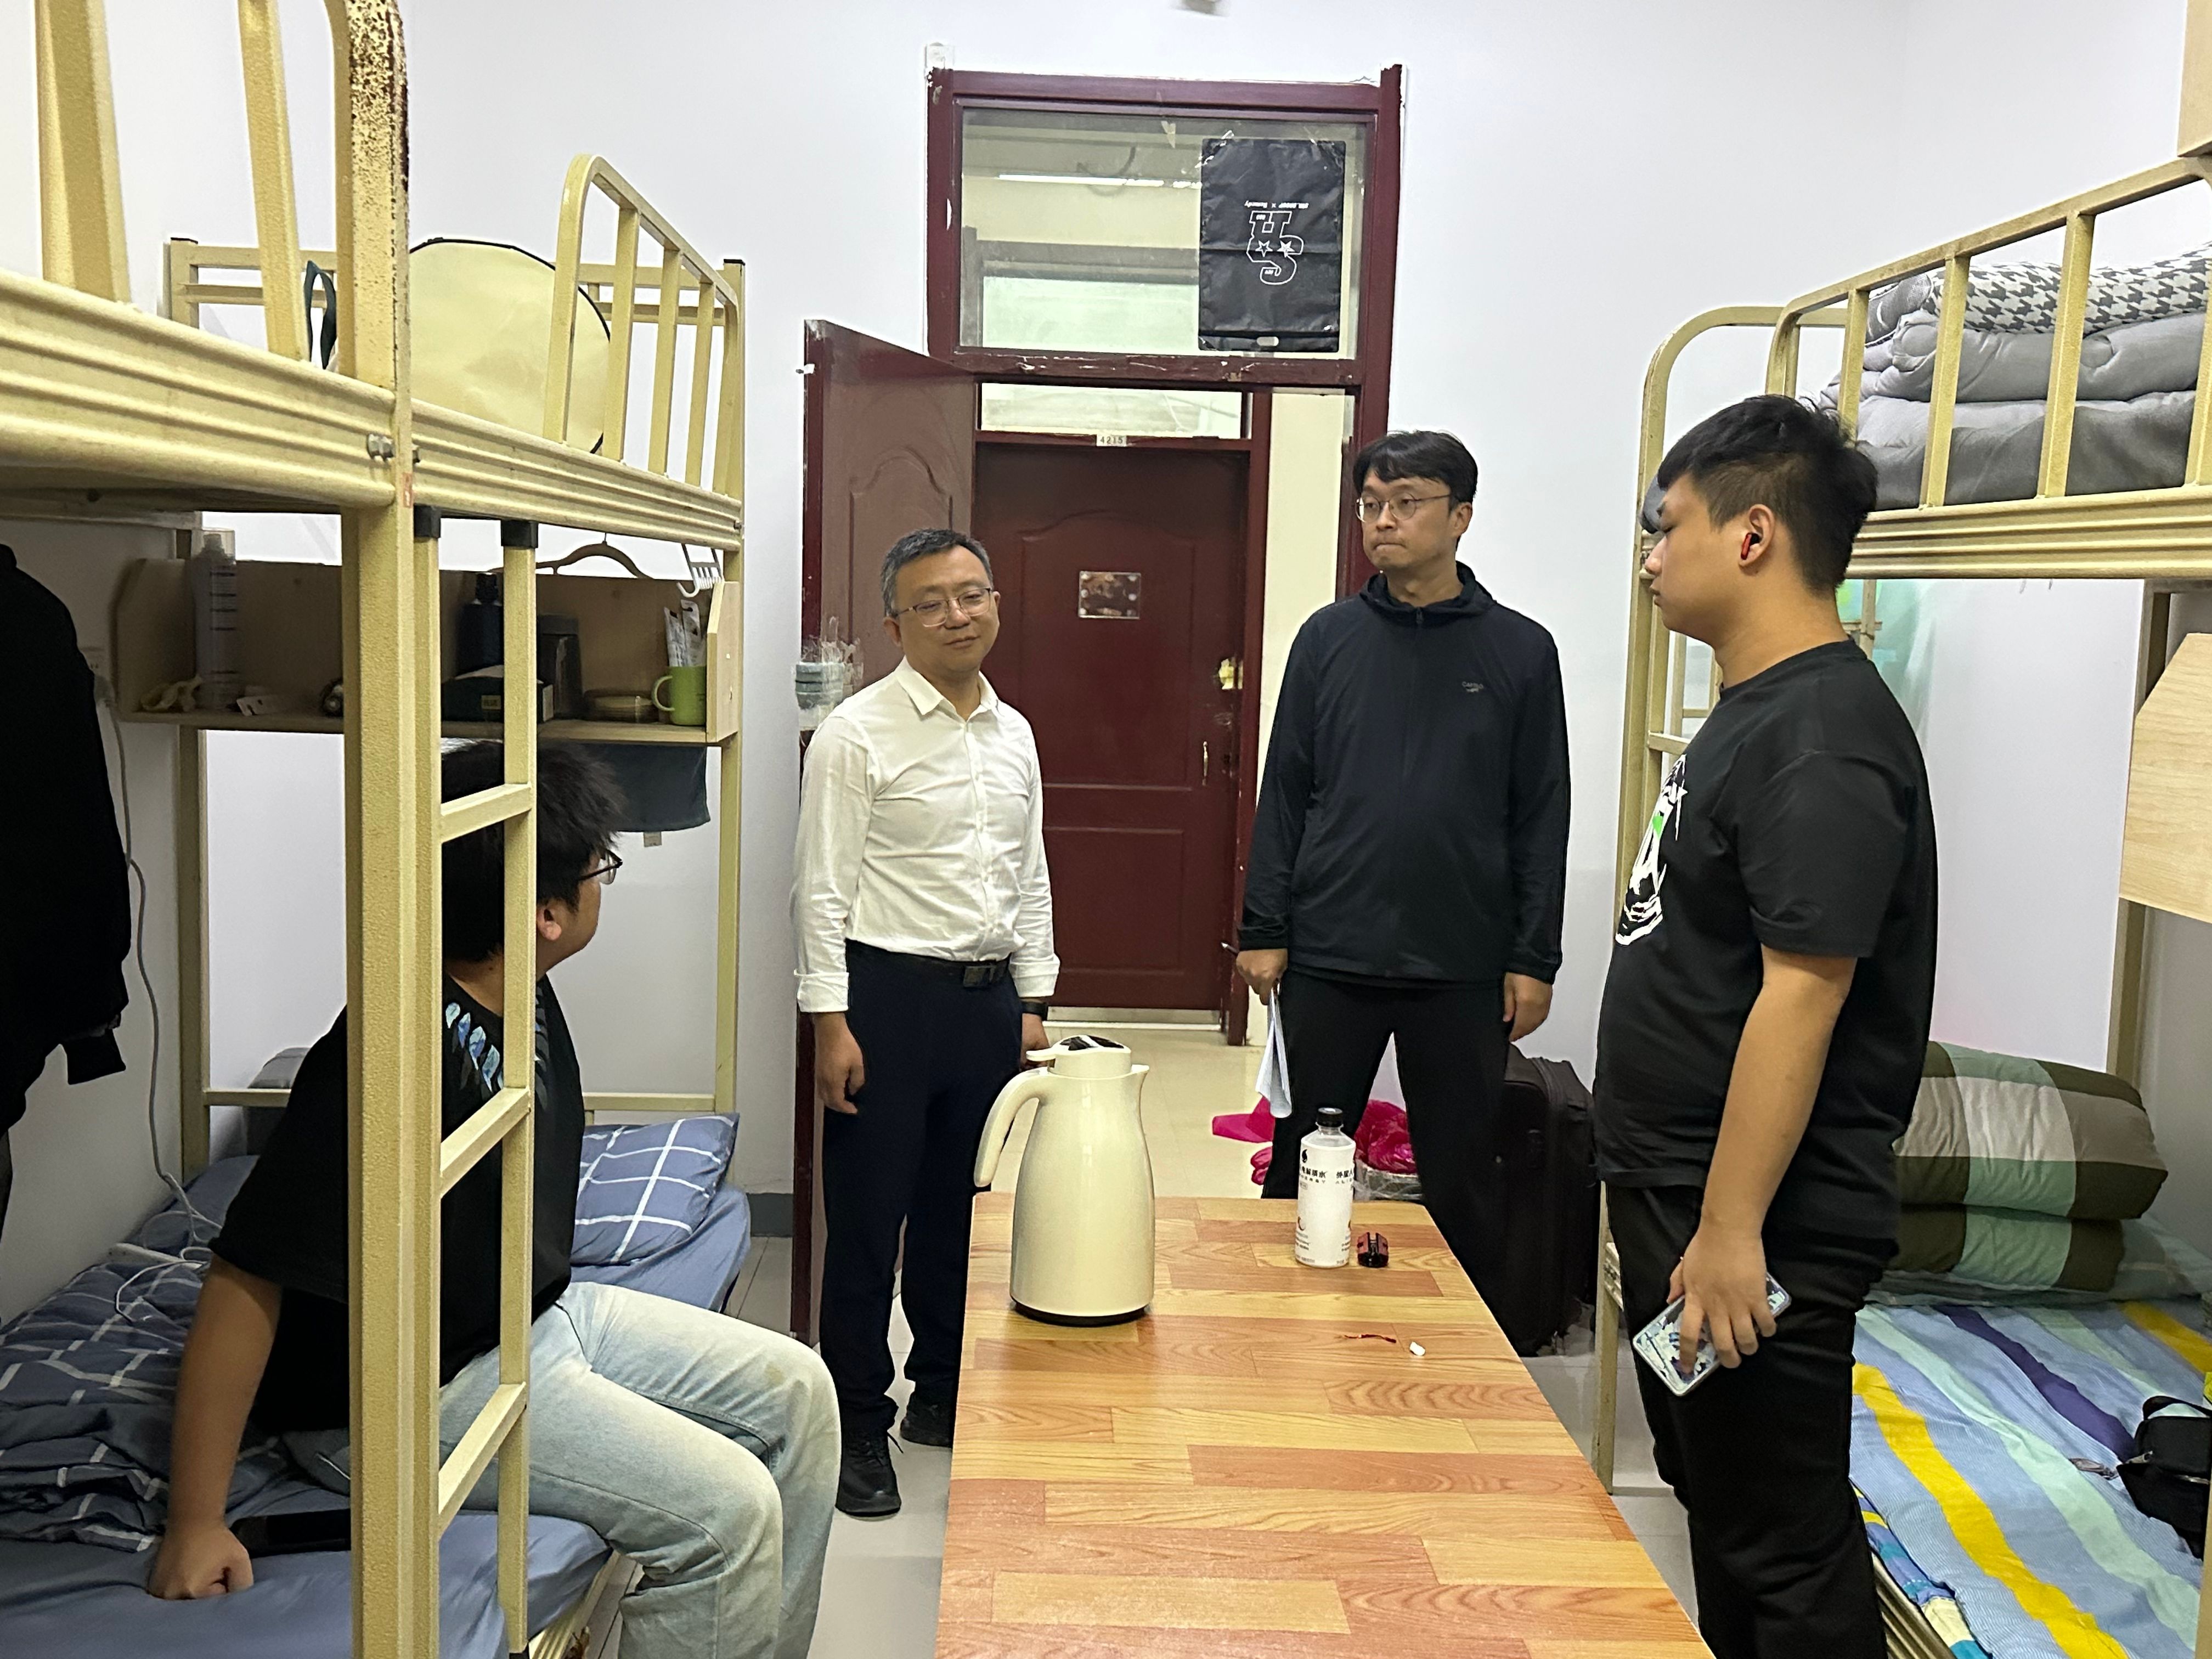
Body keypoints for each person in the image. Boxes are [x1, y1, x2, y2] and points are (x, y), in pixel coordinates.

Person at [150, 742, 838, 1659]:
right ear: (547, 913)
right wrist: (195, 1522)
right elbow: (245, 1278)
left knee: (802, 1393)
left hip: (528, 1320)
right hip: (403, 1398)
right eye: (599, 869)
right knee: (729, 1511)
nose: (605, 883)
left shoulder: (519, 988)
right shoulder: (387, 1058)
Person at [1596, 395, 1936, 1658]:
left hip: (1757, 1216)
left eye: (1666, 526)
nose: (1650, 557)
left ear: (1751, 535)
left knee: (1782, 1543)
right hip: (1689, 1191)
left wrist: (1733, 1229)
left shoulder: (1822, 737)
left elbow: (1807, 992)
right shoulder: (1757, 709)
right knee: (1723, 1503)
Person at [1234, 430, 1569, 1312]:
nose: (1383, 521)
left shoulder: (1521, 651)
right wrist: (1264, 928)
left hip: (1462, 961)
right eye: (1371, 504)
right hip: (1330, 952)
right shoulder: (1328, 640)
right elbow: (1286, 791)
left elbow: (1541, 814)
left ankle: (1471, 1344)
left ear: (1461, 517)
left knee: (1461, 1168)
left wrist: (1533, 957)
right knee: (1304, 1154)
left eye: (1406, 502)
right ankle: (1272, 1326)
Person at [792, 527, 1056, 1519]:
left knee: (959, 1215)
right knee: (869, 1224)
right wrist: (830, 1023)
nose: (958, 615)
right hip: (885, 1005)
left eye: (972, 595)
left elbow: (1029, 873)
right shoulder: (856, 734)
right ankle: (857, 1421)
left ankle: (941, 1390)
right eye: (932, 602)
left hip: (987, 1006)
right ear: (895, 623)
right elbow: (820, 893)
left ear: (997, 605)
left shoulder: (1015, 732)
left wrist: (1033, 1001)